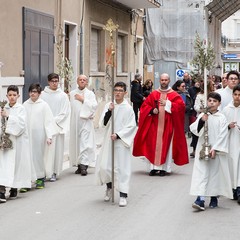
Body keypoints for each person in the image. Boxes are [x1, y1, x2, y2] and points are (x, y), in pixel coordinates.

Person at [133, 73, 189, 176]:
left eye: (166, 80)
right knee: (153, 145)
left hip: (168, 125)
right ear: (160, 81)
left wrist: (168, 104)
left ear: (169, 81)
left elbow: (181, 107)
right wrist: (151, 110)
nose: (164, 82)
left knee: (166, 146)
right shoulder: (154, 94)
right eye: (162, 80)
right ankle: (153, 168)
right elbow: (144, 106)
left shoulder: (174, 95)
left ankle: (164, 168)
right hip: (154, 125)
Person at [95, 82, 136, 207]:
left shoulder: (128, 108)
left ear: (125, 93)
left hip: (121, 142)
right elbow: (103, 123)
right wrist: (109, 111)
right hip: (109, 141)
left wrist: (118, 135)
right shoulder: (110, 105)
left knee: (122, 169)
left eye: (120, 90)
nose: (117, 92)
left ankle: (123, 194)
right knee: (105, 166)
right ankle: (109, 187)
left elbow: (131, 126)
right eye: (116, 90)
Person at [190, 92, 232, 211]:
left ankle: (214, 197)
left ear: (219, 104)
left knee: (215, 174)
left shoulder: (222, 118)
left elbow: (223, 134)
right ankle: (200, 199)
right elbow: (194, 130)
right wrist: (202, 121)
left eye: (215, 101)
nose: (212, 103)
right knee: (202, 173)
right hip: (203, 148)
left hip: (216, 150)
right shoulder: (203, 115)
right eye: (210, 101)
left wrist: (216, 148)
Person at [0, 85, 33, 203]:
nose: (12, 97)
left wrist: (8, 116)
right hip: (5, 142)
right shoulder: (3, 107)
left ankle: (14, 187)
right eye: (10, 95)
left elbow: (21, 125)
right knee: (4, 165)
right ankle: (2, 190)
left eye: (14, 95)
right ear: (7, 96)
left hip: (17, 141)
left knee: (16, 164)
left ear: (18, 96)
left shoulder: (21, 109)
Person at [23, 83, 58, 190]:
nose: (32, 94)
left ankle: (40, 178)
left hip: (40, 136)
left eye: (35, 92)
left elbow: (48, 121)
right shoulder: (25, 105)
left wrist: (49, 136)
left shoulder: (44, 105)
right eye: (31, 91)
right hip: (27, 136)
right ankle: (26, 181)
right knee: (27, 157)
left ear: (39, 93)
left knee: (38, 157)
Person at [41, 73, 70, 182]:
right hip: (45, 126)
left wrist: (53, 121)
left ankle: (54, 171)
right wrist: (47, 122)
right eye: (52, 81)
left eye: (56, 81)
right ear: (48, 82)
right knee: (45, 150)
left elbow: (65, 112)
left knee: (56, 151)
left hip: (57, 126)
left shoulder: (63, 96)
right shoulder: (43, 95)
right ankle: (43, 172)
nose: (54, 83)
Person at [69, 75, 97, 176]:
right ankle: (79, 164)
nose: (82, 81)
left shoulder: (90, 94)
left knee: (85, 143)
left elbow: (94, 106)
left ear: (86, 82)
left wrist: (83, 100)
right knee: (76, 142)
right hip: (75, 122)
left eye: (84, 80)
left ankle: (84, 165)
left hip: (86, 121)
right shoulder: (72, 94)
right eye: (80, 79)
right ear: (77, 81)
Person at [222, 85, 240, 203]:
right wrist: (228, 126)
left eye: (239, 95)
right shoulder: (226, 109)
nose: (237, 97)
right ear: (232, 95)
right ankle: (233, 189)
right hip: (231, 141)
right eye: (235, 94)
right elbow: (221, 126)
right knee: (232, 165)